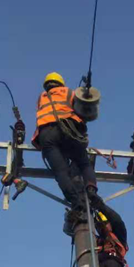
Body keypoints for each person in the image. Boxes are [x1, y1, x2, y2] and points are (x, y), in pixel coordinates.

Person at [32, 72, 98, 215]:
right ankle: (91, 189)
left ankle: (76, 202)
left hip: (47, 134)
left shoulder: (41, 97)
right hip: (69, 129)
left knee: (61, 172)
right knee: (83, 163)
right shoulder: (69, 92)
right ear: (61, 83)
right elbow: (83, 109)